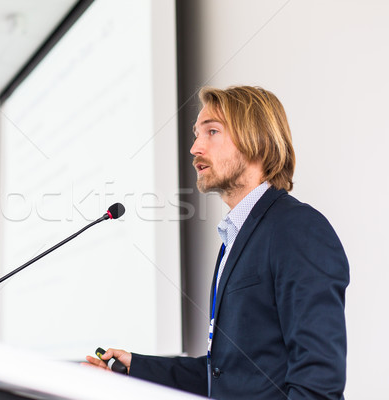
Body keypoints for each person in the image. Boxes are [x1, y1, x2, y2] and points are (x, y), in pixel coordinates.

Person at [84, 86, 349, 399]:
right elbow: (226, 375)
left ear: (257, 140)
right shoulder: (234, 240)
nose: (195, 147)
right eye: (197, 134)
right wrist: (135, 369)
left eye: (211, 131)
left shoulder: (297, 228)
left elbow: (318, 382)